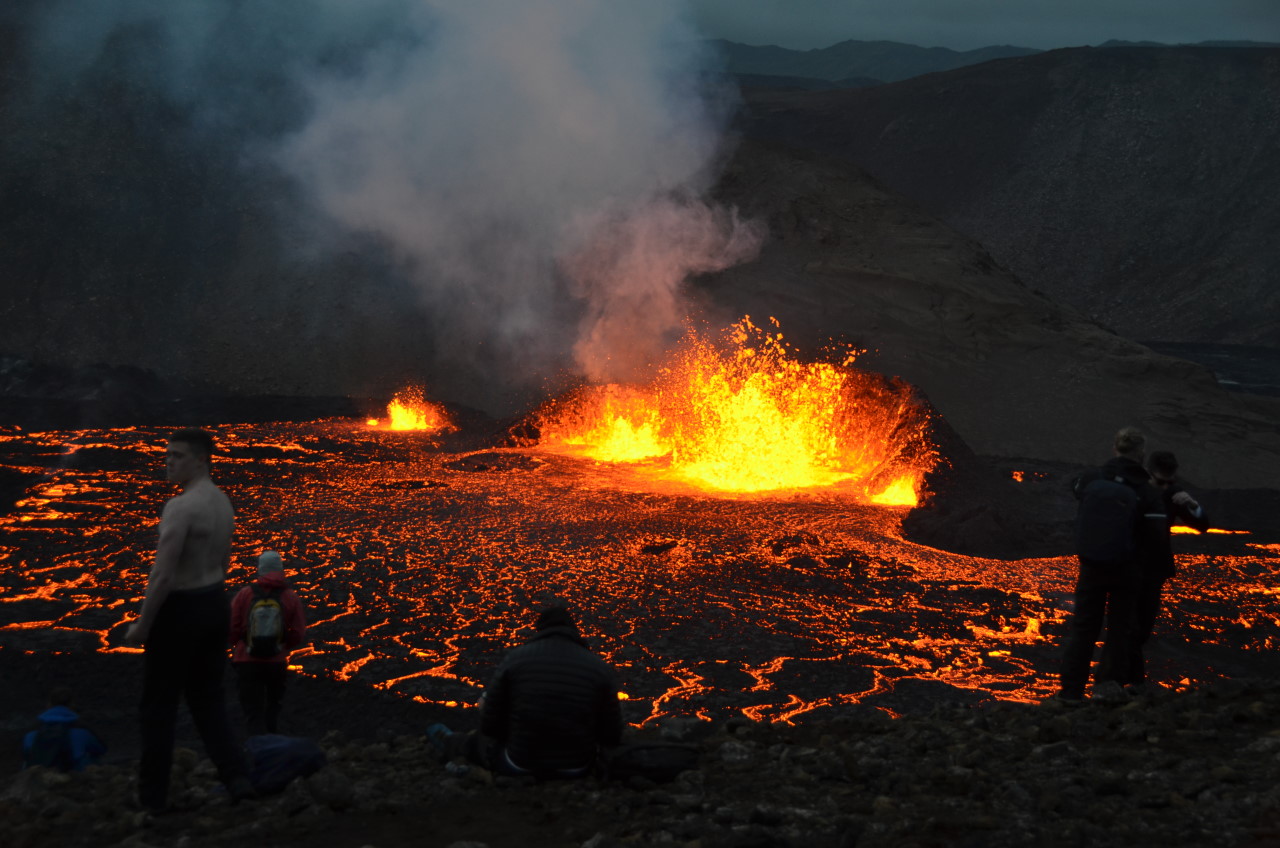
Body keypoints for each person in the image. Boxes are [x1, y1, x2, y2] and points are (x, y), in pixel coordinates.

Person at [124, 428, 253, 811]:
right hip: (215, 603)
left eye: (177, 456)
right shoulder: (223, 503)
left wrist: (143, 624)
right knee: (208, 701)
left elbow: (162, 574)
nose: (168, 462)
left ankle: (152, 798)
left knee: (158, 706)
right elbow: (222, 561)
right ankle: (237, 778)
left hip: (180, 611)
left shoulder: (180, 507)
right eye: (167, 455)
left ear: (201, 460)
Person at [431, 602, 623, 778]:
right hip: (577, 766)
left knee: (478, 743)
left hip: (520, 762)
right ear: (573, 631)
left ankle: (449, 742)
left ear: (539, 630)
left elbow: (490, 724)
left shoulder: (516, 659)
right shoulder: (598, 667)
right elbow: (612, 733)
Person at [1053, 427, 1167, 703]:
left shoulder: (1092, 478)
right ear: (1141, 453)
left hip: (1092, 565)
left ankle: (1070, 691)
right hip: (1127, 570)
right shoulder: (1146, 490)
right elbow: (1156, 535)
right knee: (1120, 628)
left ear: (1115, 448)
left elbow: (1077, 491)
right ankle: (1106, 688)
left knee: (1083, 627)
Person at [1127, 450, 1210, 691]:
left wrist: (1192, 505)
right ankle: (1132, 684)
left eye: (1169, 482)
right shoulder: (1135, 491)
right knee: (1129, 630)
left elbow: (1202, 525)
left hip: (1154, 570)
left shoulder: (1173, 495)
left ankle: (1129, 685)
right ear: (1148, 473)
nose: (1165, 487)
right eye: (1160, 481)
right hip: (1129, 567)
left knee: (1141, 630)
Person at [229, 550, 308, 735]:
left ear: (260, 570)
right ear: (280, 569)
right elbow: (298, 632)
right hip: (276, 663)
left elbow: (231, 627)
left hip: (246, 662)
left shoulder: (244, 594)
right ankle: (273, 749)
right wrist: (280, 646)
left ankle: (255, 751)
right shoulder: (289, 597)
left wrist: (240, 644)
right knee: (273, 709)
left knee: (253, 712)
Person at [22, 687, 106, 772]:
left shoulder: (32, 732)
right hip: (73, 777)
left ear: (49, 705)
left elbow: (25, 753)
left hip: (39, 778)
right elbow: (100, 749)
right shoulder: (82, 731)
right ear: (72, 704)